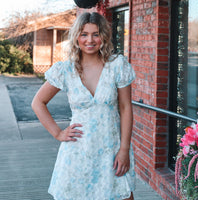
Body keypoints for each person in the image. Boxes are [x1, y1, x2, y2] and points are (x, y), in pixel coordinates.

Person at [32, 12, 136, 200]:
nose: (90, 40)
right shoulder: (66, 70)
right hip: (77, 151)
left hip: (110, 149)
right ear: (76, 37)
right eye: (84, 34)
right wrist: (58, 132)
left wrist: (124, 149)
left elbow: (125, 107)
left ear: (103, 36)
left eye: (95, 34)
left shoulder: (117, 66)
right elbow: (38, 102)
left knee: (123, 195)